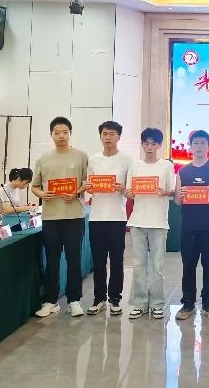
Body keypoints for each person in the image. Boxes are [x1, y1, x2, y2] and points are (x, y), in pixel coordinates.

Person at [31, 117, 89, 318]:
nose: (61, 136)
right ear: (51, 135)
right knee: (52, 259)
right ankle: (50, 301)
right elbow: (35, 186)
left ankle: (74, 300)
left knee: (74, 258)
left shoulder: (81, 156)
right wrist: (42, 194)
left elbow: (87, 183)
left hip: (74, 216)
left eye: (65, 132)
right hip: (50, 217)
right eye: (57, 133)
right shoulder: (43, 159)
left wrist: (77, 193)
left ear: (70, 134)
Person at [126, 127, 176, 320]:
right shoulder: (135, 166)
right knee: (138, 265)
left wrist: (166, 192)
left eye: (153, 143)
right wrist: (129, 193)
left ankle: (156, 304)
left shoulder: (166, 166)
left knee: (157, 266)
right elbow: (129, 192)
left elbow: (172, 191)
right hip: (138, 221)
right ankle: (139, 303)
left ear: (159, 145)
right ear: (142, 145)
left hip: (158, 222)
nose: (149, 147)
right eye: (146, 143)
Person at [84, 121, 132, 316]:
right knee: (98, 261)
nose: (108, 137)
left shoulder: (127, 160)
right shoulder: (93, 159)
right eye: (104, 134)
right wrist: (88, 188)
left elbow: (131, 190)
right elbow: (88, 187)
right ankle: (99, 299)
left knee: (117, 260)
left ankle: (115, 298)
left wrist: (124, 189)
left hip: (117, 217)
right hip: (96, 216)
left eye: (112, 134)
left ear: (119, 136)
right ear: (100, 136)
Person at [174, 130, 209, 321]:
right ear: (190, 146)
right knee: (188, 265)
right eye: (196, 143)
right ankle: (188, 303)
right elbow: (177, 201)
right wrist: (180, 195)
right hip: (189, 226)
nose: (199, 146)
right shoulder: (183, 171)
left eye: (203, 143)